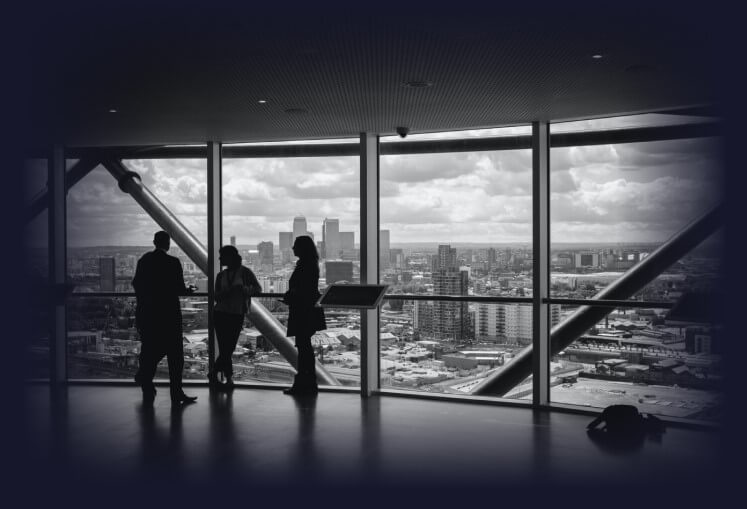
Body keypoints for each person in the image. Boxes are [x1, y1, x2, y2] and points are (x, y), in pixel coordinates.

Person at [133, 231, 198, 405]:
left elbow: (136, 285)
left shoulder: (144, 261)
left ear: (154, 242)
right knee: (175, 355)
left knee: (150, 349)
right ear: (167, 244)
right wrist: (189, 290)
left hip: (148, 314)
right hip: (169, 314)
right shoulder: (173, 262)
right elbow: (179, 289)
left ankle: (146, 381)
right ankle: (176, 393)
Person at [209, 245, 261, 390]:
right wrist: (231, 291)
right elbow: (216, 297)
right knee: (227, 347)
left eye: (222, 256)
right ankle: (228, 378)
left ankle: (215, 373)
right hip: (222, 313)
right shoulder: (221, 275)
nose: (219, 258)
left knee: (228, 347)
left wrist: (244, 290)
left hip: (235, 313)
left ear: (230, 257)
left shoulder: (245, 273)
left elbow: (257, 289)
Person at [281, 235, 326, 396]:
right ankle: (309, 383)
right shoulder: (311, 264)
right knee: (305, 348)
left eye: (295, 246)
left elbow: (302, 289)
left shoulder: (304, 265)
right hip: (308, 310)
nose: (293, 248)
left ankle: (303, 383)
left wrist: (290, 297)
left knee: (304, 348)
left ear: (302, 248)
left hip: (302, 311)